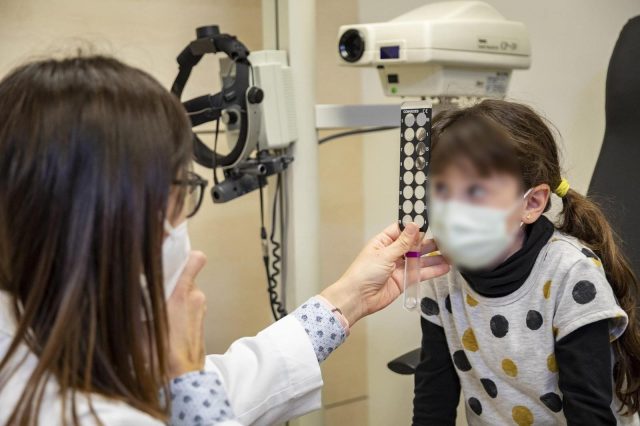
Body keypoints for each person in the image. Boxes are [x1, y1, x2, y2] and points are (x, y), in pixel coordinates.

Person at [0, 55, 450, 425]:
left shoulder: (41, 329)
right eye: (182, 192)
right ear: (116, 216)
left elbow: (223, 387)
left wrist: (347, 299)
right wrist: (185, 374)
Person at [412, 100, 640, 426]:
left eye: (474, 192)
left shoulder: (570, 274)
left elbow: (589, 414)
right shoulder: (442, 274)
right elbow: (433, 402)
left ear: (531, 203)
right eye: (441, 190)